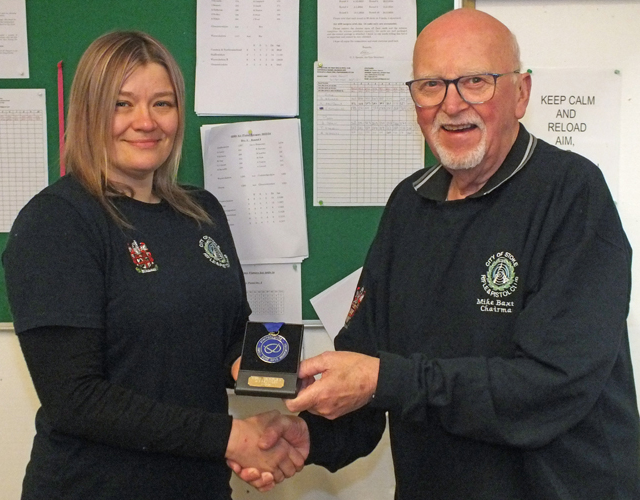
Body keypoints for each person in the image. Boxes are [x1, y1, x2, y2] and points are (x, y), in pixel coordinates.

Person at [234, 8, 640, 499]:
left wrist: (386, 379)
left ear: (521, 93)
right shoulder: (409, 204)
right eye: (431, 85)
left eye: (475, 81)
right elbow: (367, 367)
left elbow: (551, 388)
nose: (452, 104)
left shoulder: (572, 194)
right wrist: (312, 438)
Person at [3, 31, 307, 500]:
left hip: (198, 484)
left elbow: (232, 338)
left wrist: (302, 380)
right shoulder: (58, 221)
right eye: (122, 104)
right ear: (88, 112)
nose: (145, 122)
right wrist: (232, 437)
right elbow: (76, 399)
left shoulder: (201, 210)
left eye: (162, 104)